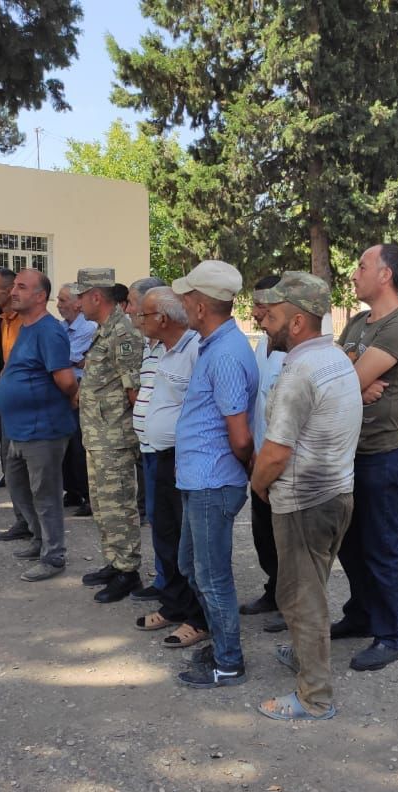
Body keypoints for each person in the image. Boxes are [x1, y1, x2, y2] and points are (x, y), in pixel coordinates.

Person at [250, 272, 362, 720]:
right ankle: (303, 656)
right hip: (336, 494)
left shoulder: (299, 371)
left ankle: (315, 697)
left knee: (302, 595)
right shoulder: (336, 360)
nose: (265, 323)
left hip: (302, 501)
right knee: (309, 585)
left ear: (297, 323)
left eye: (273, 316)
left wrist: (258, 485)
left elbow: (276, 453)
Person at [331, 243, 398, 670]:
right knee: (348, 542)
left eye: (362, 266)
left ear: (385, 274)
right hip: (347, 451)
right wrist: (355, 378)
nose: (354, 273)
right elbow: (334, 373)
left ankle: (389, 635)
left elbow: (341, 378)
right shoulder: (356, 322)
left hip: (379, 453)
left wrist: (353, 376)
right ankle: (362, 613)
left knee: (382, 545)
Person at [171, 260, 258, 689]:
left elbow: (240, 436)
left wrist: (244, 470)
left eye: (187, 297)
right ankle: (221, 640)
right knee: (191, 565)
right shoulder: (214, 345)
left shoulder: (224, 354)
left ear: (201, 306)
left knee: (211, 575)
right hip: (199, 479)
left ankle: (229, 661)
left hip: (212, 482)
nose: (182, 303)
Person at [0, 268, 79, 581]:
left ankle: (54, 557)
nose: (13, 291)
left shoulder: (49, 330)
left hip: (42, 428)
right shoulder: (26, 327)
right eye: (14, 286)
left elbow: (67, 381)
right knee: (18, 489)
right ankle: (39, 539)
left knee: (45, 495)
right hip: (17, 428)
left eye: (21, 287)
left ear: (40, 296)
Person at [136, 285, 209, 648]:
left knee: (187, 544)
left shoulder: (195, 349)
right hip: (161, 456)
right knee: (165, 536)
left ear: (162, 319)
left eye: (145, 314)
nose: (140, 320)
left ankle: (199, 619)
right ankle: (175, 605)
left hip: (187, 458)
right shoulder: (163, 351)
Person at [72, 268, 145, 602]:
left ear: (96, 296)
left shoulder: (123, 333)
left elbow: (134, 392)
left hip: (114, 437)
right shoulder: (104, 330)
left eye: (81, 295)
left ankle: (128, 571)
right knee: (103, 506)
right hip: (98, 436)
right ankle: (114, 562)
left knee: (119, 506)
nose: (77, 302)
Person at [241, 275, 287, 631]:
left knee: (287, 538)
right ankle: (273, 591)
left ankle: (291, 606)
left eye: (262, 306)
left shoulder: (295, 352)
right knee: (263, 534)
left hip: (283, 463)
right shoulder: (262, 346)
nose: (255, 313)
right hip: (258, 457)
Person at [0, 269, 34, 542]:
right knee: (9, 457)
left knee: (30, 464)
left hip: (27, 400)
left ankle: (39, 529)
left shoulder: (30, 320)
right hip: (4, 395)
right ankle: (22, 520)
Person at [127, 276, 168, 601]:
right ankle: (164, 579)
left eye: (131, 303)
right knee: (156, 517)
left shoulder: (178, 346)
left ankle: (170, 585)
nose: (127, 309)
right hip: (149, 447)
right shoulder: (148, 345)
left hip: (167, 451)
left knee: (166, 521)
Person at [55, 282, 96, 515]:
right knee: (65, 442)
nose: (59, 305)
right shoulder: (60, 327)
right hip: (62, 384)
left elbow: (65, 356)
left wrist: (71, 358)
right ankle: (72, 490)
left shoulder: (88, 328)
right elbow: (66, 357)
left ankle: (88, 494)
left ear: (77, 303)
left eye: (63, 300)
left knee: (81, 443)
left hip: (80, 386)